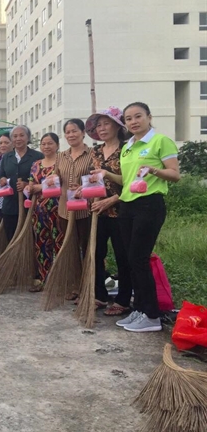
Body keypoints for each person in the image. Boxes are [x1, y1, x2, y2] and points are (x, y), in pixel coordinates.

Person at [115, 102, 179, 332]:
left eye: (138, 116)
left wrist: (154, 170)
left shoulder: (159, 141)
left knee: (139, 259)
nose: (133, 121)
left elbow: (174, 174)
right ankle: (140, 309)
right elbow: (127, 179)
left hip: (149, 204)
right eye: (128, 118)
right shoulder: (127, 147)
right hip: (127, 205)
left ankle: (151, 315)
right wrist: (104, 174)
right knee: (130, 260)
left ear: (149, 117)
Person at [85, 107, 132, 316]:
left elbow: (134, 182)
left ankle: (123, 300)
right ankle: (100, 295)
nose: (102, 128)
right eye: (99, 125)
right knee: (96, 253)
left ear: (117, 126)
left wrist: (112, 200)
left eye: (106, 123)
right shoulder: (94, 152)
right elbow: (93, 179)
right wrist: (83, 190)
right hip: (97, 211)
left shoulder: (127, 149)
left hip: (122, 211)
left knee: (123, 256)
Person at [52, 119, 93, 301]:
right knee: (70, 248)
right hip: (65, 209)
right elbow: (57, 177)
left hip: (86, 209)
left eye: (74, 131)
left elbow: (97, 180)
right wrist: (53, 179)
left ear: (83, 132)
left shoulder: (93, 154)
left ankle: (90, 284)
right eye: (67, 132)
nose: (71, 135)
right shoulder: (61, 156)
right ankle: (74, 285)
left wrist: (84, 186)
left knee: (88, 247)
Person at [26, 133, 63, 291]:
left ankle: (61, 278)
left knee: (59, 243)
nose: (46, 146)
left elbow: (64, 182)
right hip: (39, 209)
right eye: (43, 143)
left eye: (50, 143)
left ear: (57, 145)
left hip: (58, 208)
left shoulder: (62, 162)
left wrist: (40, 187)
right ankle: (42, 277)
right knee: (41, 244)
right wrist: (29, 188)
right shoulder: (36, 164)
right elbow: (31, 182)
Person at [0, 126, 44, 241]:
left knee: (31, 239)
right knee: (11, 239)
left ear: (28, 138)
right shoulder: (7, 157)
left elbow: (43, 179)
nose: (18, 139)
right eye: (15, 136)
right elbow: (1, 175)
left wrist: (28, 184)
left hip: (31, 206)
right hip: (10, 206)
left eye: (22, 135)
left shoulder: (38, 156)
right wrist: (2, 180)